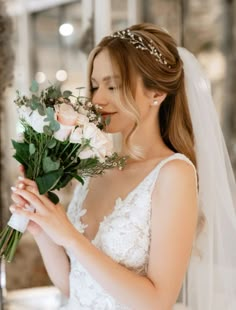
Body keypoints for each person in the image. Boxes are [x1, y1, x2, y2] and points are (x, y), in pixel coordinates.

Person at [10, 23, 236, 310]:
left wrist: (69, 236)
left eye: (113, 85)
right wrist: (42, 227)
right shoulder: (95, 168)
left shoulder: (173, 174)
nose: (97, 99)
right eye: (94, 85)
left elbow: (158, 301)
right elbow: (75, 285)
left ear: (156, 93)